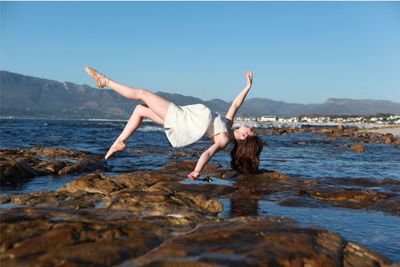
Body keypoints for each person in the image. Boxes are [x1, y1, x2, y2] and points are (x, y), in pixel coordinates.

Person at [85, 67, 263, 179]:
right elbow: (235, 104)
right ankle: (116, 145)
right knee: (140, 110)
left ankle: (105, 81)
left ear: (245, 136)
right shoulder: (228, 124)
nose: (250, 126)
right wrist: (248, 86)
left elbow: (207, 154)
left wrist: (197, 171)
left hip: (181, 119)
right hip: (182, 119)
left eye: (252, 130)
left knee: (143, 94)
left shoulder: (223, 139)